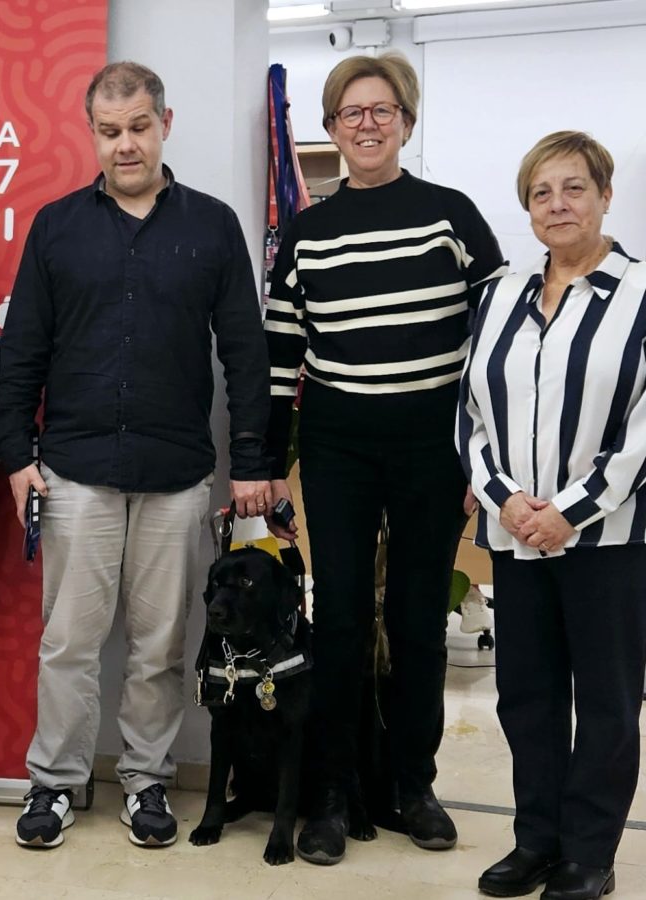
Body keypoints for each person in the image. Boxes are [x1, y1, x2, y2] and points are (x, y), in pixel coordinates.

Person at [0, 61, 272, 850]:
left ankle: (146, 780)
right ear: (93, 134)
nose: (126, 144)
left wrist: (249, 458)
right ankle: (55, 782)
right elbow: (22, 355)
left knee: (159, 645)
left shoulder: (212, 225)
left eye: (139, 127)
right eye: (110, 131)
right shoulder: (56, 227)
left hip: (178, 476)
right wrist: (17, 457)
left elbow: (246, 354)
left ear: (166, 123)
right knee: (70, 644)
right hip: (74, 470)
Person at [262, 52, 504, 865]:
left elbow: (499, 343)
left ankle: (413, 785)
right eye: (349, 113)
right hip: (338, 445)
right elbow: (278, 352)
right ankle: (333, 796)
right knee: (340, 619)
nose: (367, 124)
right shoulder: (308, 230)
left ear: (406, 118)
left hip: (433, 445)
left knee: (417, 621)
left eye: (382, 110)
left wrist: (486, 458)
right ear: (329, 129)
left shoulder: (452, 215)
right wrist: (261, 461)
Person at [460, 131, 644, 900]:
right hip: (515, 533)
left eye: (574, 188)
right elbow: (468, 411)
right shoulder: (498, 292)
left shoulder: (639, 294)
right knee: (527, 695)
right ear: (527, 207)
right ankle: (534, 839)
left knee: (606, 699)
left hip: (604, 536)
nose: (558, 204)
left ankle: (588, 853)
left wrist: (568, 509)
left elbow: (645, 427)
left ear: (605, 196)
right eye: (542, 192)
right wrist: (503, 495)